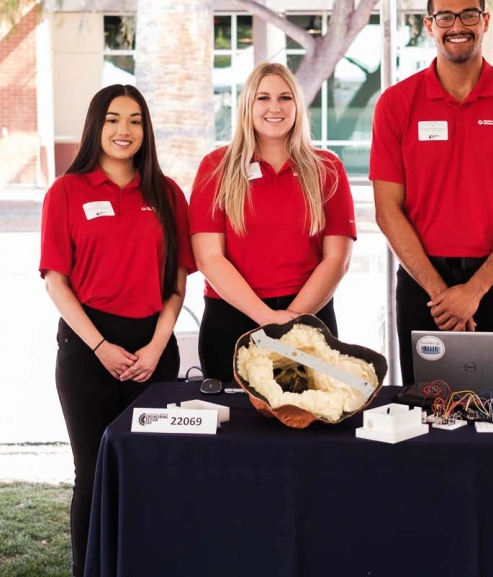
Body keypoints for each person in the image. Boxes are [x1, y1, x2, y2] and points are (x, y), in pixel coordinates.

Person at [40, 84, 194, 577]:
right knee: (93, 472)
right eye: (112, 119)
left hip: (154, 350)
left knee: (151, 471)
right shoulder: (66, 191)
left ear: (146, 130)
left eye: (134, 120)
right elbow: (56, 282)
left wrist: (156, 346)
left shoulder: (166, 193)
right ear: (95, 126)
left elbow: (176, 283)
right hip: (88, 351)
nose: (123, 130)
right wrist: (102, 346)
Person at [369, 0, 493, 385]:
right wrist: (441, 294)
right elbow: (386, 210)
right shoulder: (396, 104)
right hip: (422, 285)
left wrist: (475, 290)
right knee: (425, 414)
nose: (458, 26)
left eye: (469, 14)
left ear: (485, 21)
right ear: (428, 25)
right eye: (445, 17)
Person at [190, 62, 355, 382]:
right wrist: (267, 319)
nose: (274, 108)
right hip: (231, 320)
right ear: (247, 106)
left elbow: (338, 259)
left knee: (309, 424)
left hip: (309, 318)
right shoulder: (216, 167)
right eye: (263, 98)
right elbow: (208, 257)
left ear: (298, 105)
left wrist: (291, 321)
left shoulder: (328, 168)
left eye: (285, 98)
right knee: (236, 428)